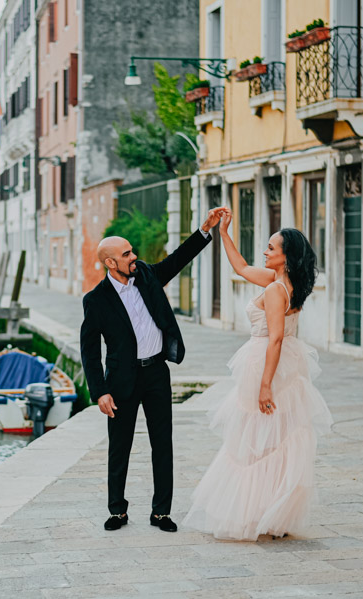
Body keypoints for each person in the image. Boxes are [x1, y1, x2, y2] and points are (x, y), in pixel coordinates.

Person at [182, 211, 333, 540]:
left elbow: (276, 337)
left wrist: (265, 385)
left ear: (285, 256)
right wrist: (224, 233)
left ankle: (257, 513)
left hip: (268, 363)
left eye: (270, 248)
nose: (265, 252)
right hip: (283, 362)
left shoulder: (277, 289)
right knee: (273, 441)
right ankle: (270, 511)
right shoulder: (282, 281)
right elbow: (240, 268)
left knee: (254, 443)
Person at [80, 206, 226, 532]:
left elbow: (176, 260)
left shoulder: (145, 274)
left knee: (163, 444)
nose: (134, 256)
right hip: (120, 380)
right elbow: (89, 352)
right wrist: (99, 391)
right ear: (110, 263)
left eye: (132, 251)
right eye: (127, 253)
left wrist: (205, 229)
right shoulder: (96, 300)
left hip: (156, 373)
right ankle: (117, 511)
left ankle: (161, 512)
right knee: (120, 448)